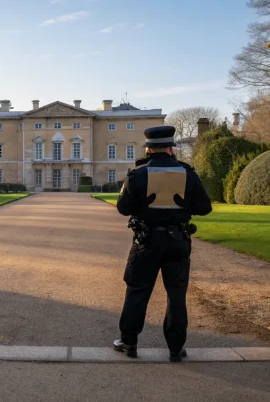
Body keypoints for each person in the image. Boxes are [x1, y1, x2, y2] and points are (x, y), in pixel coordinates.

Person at [112, 125, 212, 362]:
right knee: (176, 294)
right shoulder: (188, 173)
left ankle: (129, 342)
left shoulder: (137, 174)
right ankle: (176, 348)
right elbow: (204, 208)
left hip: (147, 241)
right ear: (170, 148)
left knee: (137, 290)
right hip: (178, 240)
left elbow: (123, 208)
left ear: (148, 149)